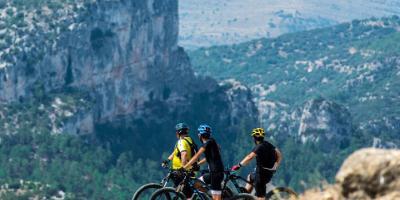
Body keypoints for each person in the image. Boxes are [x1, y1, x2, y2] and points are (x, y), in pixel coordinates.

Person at [231, 128, 282, 200]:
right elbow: (279, 154)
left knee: (260, 197)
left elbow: (249, 157)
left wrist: (239, 165)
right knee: (250, 177)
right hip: (269, 173)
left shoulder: (259, 147)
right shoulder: (268, 144)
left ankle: (246, 196)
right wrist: (276, 165)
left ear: (254, 138)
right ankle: (246, 196)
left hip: (261, 174)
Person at [183, 124, 224, 200]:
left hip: (216, 174)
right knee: (196, 184)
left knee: (216, 199)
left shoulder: (207, 143)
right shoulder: (212, 141)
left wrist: (185, 166)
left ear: (200, 135)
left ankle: (213, 195)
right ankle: (209, 194)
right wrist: (197, 164)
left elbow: (197, 155)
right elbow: (208, 157)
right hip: (213, 173)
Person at [162, 122, 198, 199]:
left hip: (181, 171)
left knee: (185, 194)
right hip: (188, 170)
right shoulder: (189, 140)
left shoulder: (181, 141)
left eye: (176, 131)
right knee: (182, 192)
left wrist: (183, 168)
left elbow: (184, 154)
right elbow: (175, 152)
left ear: (179, 132)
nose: (176, 133)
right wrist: (167, 160)